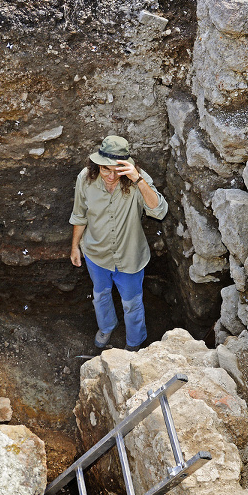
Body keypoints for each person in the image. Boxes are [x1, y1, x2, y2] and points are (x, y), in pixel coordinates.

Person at [69, 135, 168, 350]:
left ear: (127, 165)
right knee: (101, 295)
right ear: (97, 165)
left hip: (129, 256)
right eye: (106, 169)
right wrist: (75, 246)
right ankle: (106, 327)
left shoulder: (137, 179)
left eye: (117, 170)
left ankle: (134, 345)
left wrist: (138, 179)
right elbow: (79, 215)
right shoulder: (85, 179)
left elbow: (159, 211)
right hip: (96, 253)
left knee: (132, 304)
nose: (111, 176)